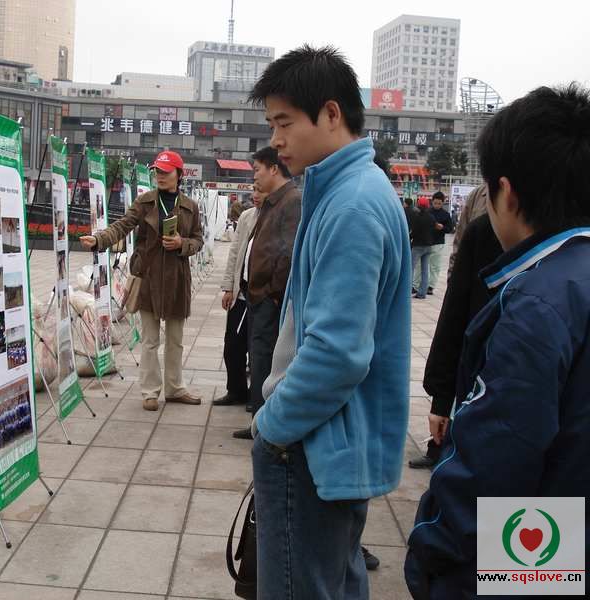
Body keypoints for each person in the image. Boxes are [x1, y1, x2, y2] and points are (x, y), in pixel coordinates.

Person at [405, 83, 590, 599]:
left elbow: (495, 463)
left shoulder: (537, 304)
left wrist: (431, 557)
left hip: (537, 544)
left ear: (505, 193)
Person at [248, 45, 411, 599]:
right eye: (272, 125)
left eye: (284, 123)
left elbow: (337, 352)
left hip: (313, 444)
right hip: (329, 441)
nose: (276, 140)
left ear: (332, 113)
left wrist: (272, 427)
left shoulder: (352, 205)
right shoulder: (347, 190)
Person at [80, 150, 203, 411]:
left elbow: (198, 240)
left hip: (177, 279)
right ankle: (150, 392)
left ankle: (175, 388)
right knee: (150, 340)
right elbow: (123, 225)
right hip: (148, 278)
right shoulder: (145, 202)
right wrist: (100, 239)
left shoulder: (190, 206)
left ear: (179, 175)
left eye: (166, 172)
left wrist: (182, 243)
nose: (160, 176)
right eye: (157, 171)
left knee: (175, 340)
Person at [408, 212, 503, 469]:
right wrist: (441, 399)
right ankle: (438, 448)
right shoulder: (484, 229)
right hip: (474, 364)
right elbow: (455, 317)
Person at [232, 146, 300, 440]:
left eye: (257, 170)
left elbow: (288, 253)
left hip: (270, 299)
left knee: (266, 361)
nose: (255, 177)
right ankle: (258, 422)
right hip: (257, 296)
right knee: (258, 360)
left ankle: (264, 427)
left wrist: (272, 292)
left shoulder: (292, 201)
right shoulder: (273, 201)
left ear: (274, 168)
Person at [214, 191, 262, 408]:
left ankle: (256, 395)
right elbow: (235, 253)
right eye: (254, 189)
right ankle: (236, 390)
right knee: (232, 345)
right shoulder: (247, 216)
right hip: (240, 293)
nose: (256, 194)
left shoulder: (280, 215)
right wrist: (228, 287)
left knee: (258, 349)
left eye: (261, 189)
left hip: (262, 296)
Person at [427, 191, 454, 293]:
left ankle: (431, 286)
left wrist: (442, 227)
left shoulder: (446, 215)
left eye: (439, 203)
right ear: (432, 201)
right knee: (422, 265)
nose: (437, 205)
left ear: (443, 203)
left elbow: (450, 229)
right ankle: (417, 285)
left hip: (438, 242)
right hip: (426, 242)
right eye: (435, 203)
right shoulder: (427, 212)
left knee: (435, 265)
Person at [410, 197, 436, 298]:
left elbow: (414, 232)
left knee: (411, 268)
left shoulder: (417, 217)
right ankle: (422, 293)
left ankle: (406, 290)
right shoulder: (432, 217)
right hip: (428, 246)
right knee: (425, 270)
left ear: (419, 205)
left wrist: (409, 238)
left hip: (418, 245)